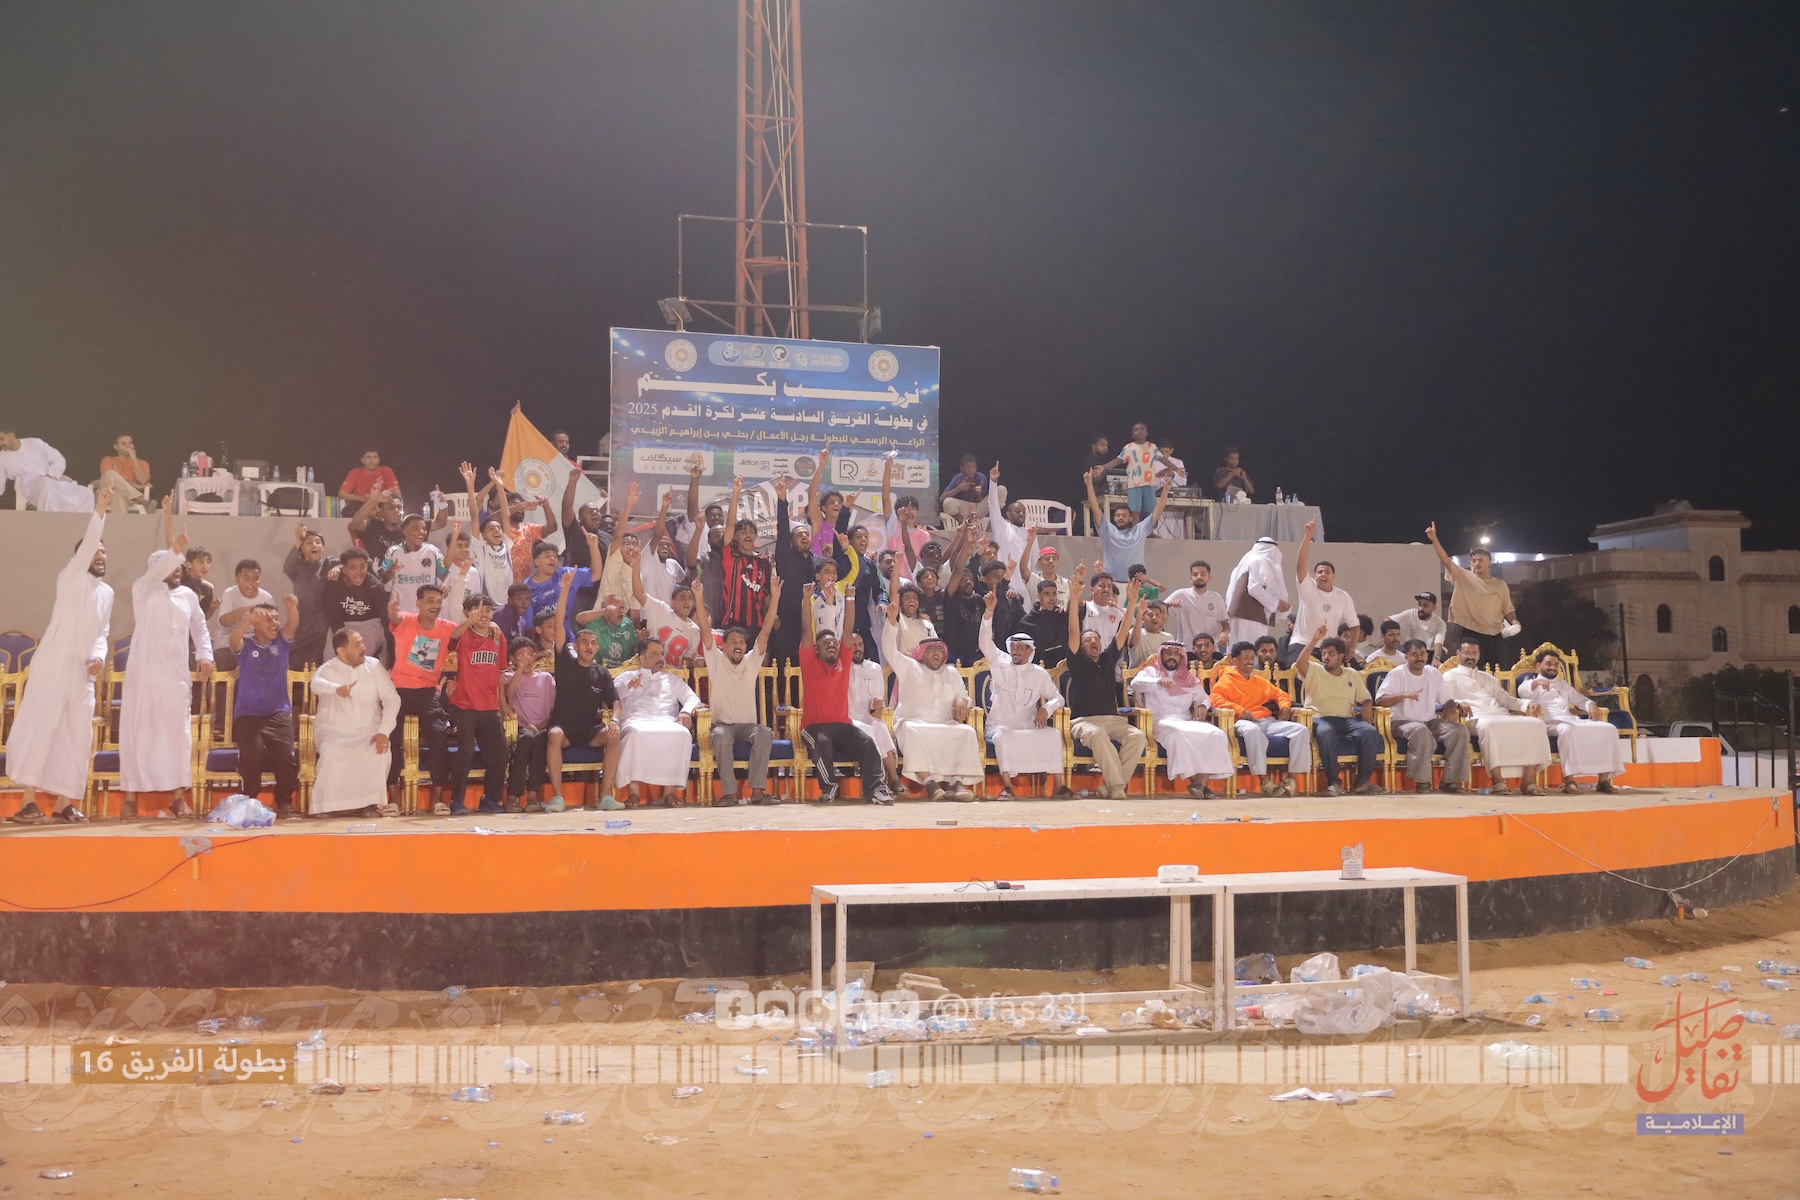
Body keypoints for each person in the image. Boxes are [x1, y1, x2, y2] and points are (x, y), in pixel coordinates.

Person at [5, 485, 114, 825]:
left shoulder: (107, 593)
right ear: (81, 557)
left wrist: (98, 657)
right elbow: (89, 541)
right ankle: (28, 802)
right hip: (53, 667)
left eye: (104, 552)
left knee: (76, 738)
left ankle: (65, 804)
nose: (101, 556)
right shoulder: (70, 576)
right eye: (95, 551)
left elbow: (103, 633)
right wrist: (100, 509)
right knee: (42, 729)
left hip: (82, 676)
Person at [119, 520, 215, 819]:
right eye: (171, 565)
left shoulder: (188, 596)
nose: (177, 570)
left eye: (179, 566)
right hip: (144, 677)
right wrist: (175, 547)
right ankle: (130, 798)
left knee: (177, 737)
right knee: (139, 734)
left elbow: (200, 627)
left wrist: (205, 655)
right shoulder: (143, 590)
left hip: (176, 678)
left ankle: (177, 798)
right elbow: (155, 574)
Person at [882, 593, 984, 801]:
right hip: (912, 722)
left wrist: (963, 701)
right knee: (911, 731)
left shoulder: (951, 672)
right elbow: (888, 649)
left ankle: (956, 783)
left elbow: (964, 696)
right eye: (932, 649)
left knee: (967, 732)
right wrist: (891, 622)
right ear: (922, 653)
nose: (937, 653)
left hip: (944, 723)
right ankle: (930, 784)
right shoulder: (909, 666)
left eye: (940, 649)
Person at [695, 575, 783, 805]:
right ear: (724, 646)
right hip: (722, 726)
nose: (737, 645)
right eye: (732, 642)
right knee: (721, 737)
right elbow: (704, 630)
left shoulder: (751, 661)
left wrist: (775, 597)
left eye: (741, 642)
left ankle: (757, 793)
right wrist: (698, 596)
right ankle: (729, 794)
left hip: (748, 727)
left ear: (745, 646)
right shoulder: (716, 660)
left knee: (764, 733)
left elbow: (765, 631)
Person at [386, 568, 469, 813]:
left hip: (427, 692)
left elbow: (459, 632)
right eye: (430, 601)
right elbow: (394, 617)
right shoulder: (406, 621)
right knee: (392, 740)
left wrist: (473, 622)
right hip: (399, 690)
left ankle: (438, 798)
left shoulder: (445, 627)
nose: (435, 605)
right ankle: (392, 799)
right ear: (419, 604)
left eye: (438, 601)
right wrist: (392, 609)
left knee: (439, 736)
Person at [798, 593, 892, 805]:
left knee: (868, 742)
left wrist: (850, 599)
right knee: (821, 742)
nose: (832, 645)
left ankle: (876, 789)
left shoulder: (844, 662)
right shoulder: (810, 663)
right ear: (816, 649)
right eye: (826, 643)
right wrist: (806, 599)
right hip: (813, 727)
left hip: (842, 725)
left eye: (834, 642)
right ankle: (829, 787)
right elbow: (806, 631)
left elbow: (847, 631)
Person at [1064, 563, 1147, 799]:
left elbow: (1122, 632)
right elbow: (1073, 632)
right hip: (1083, 721)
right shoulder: (1077, 662)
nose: (1093, 642)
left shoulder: (1109, 658)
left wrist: (1132, 601)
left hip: (1112, 719)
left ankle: (1108, 787)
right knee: (1098, 735)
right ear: (1081, 646)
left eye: (1096, 640)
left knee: (1138, 736)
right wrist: (1074, 599)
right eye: (1088, 640)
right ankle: (1117, 787)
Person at [979, 593, 1068, 799]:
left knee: (1053, 735)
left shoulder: (1038, 673)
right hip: (1000, 726)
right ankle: (1008, 787)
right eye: (1013, 647)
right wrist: (989, 612)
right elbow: (984, 642)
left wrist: (1046, 708)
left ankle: (1058, 786)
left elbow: (1058, 698)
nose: (1015, 651)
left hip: (1028, 726)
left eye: (1020, 648)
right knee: (1003, 738)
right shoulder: (1000, 662)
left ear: (1030, 651)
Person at [225, 595, 303, 817]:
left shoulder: (282, 643)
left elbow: (293, 624)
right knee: (253, 755)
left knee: (287, 757)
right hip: (248, 715)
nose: (274, 623)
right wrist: (248, 619)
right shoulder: (246, 646)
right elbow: (233, 640)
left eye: (276, 618)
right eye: (268, 619)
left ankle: (284, 803)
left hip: (278, 713)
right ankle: (249, 801)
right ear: (256, 624)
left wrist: (291, 607)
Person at [309, 629, 401, 816]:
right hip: (334, 729)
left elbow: (392, 699)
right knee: (332, 750)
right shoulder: (328, 668)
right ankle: (329, 807)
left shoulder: (374, 665)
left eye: (362, 642)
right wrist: (336, 689)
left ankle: (370, 805)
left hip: (369, 729)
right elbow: (316, 684)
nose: (363, 647)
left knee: (379, 750)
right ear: (341, 651)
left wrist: (384, 731)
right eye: (357, 644)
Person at [1444, 635, 1550, 795]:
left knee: (1536, 724)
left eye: (1474, 653)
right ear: (1458, 653)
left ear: (1479, 655)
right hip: (1474, 717)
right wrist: (1458, 703)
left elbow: (1505, 700)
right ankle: (1498, 781)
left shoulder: (1488, 678)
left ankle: (1528, 781)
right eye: (1467, 653)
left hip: (1499, 714)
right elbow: (1445, 698)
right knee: (1490, 726)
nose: (1471, 657)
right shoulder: (1449, 676)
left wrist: (1527, 704)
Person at [1209, 639, 1313, 796]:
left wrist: (1285, 706)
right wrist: (1239, 710)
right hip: (1242, 721)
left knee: (1301, 730)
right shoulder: (1226, 679)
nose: (1250, 661)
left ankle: (1290, 780)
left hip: (1266, 721)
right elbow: (1215, 699)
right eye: (1245, 657)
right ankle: (1264, 781)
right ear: (1235, 660)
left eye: (1252, 657)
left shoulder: (1259, 680)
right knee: (1252, 731)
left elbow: (1281, 694)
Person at [1131, 641, 1234, 798]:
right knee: (1178, 734)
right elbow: (1135, 684)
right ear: (1161, 655)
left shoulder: (1188, 677)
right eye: (1168, 653)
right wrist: (1157, 682)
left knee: (1217, 734)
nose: (1172, 657)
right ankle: (1199, 784)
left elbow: (1204, 698)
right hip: (1160, 720)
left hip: (1185, 720)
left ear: (1181, 657)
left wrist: (1202, 705)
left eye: (1176, 654)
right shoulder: (1151, 672)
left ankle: (1199, 782)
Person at [1518, 651, 1627, 794]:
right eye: (1549, 664)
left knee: (1609, 728)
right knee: (1566, 730)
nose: (1553, 667)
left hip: (1570, 720)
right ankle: (1569, 781)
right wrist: (1536, 683)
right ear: (1539, 665)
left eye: (1556, 665)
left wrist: (1590, 705)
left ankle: (1603, 781)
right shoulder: (1529, 683)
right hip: (1548, 723)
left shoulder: (1562, 684)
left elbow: (1579, 699)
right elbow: (1522, 691)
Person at [611, 638, 702, 805]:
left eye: (662, 654)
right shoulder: (627, 677)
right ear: (642, 658)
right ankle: (634, 793)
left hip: (667, 721)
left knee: (682, 733)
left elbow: (692, 698)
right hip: (636, 721)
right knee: (636, 733)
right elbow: (612, 695)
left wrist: (685, 711)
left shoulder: (673, 679)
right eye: (655, 654)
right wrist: (629, 687)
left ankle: (670, 792)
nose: (661, 658)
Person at [441, 593, 509, 815]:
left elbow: (501, 672)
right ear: (468, 613)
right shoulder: (463, 634)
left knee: (501, 754)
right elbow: (452, 638)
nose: (484, 614)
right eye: (478, 610)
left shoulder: (498, 636)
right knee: (466, 750)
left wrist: (503, 702)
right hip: (464, 705)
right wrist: (467, 622)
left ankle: (490, 799)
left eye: (488, 609)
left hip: (489, 706)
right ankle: (457, 801)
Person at [1295, 628, 1384, 796]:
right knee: (1326, 732)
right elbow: (1300, 664)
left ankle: (1362, 783)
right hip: (1320, 717)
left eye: (1331, 653)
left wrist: (1366, 705)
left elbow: (1365, 698)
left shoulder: (1352, 674)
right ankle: (1334, 783)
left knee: (1370, 732)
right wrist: (1314, 640)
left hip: (1346, 719)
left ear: (1341, 656)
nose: (1326, 657)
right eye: (1324, 653)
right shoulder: (1315, 670)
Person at [1375, 640, 1472, 794]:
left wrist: (1451, 708)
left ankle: (1450, 781)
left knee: (1459, 731)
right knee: (1420, 730)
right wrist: (1404, 695)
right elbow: (1380, 700)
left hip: (1430, 721)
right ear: (1406, 657)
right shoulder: (1397, 673)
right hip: (1401, 722)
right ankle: (1423, 782)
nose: (1419, 658)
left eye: (1422, 654)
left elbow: (1447, 698)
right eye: (1414, 654)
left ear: (1427, 656)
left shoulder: (1433, 673)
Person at [545, 627, 622, 811]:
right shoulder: (566, 665)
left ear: (597, 648)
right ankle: (558, 798)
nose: (589, 646)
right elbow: (559, 626)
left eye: (593, 643)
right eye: (585, 642)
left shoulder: (602, 673)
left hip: (590, 729)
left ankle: (605, 796)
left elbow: (616, 703)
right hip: (564, 728)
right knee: (554, 734)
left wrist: (615, 721)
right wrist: (563, 605)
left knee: (613, 735)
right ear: (575, 646)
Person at [1425, 522, 1517, 668]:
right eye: (1474, 560)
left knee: (1499, 670)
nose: (1477, 563)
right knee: (1472, 670)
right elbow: (1445, 560)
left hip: (1495, 634)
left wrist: (1514, 623)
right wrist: (1434, 540)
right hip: (1473, 633)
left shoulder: (1500, 585)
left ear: (1489, 562)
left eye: (1480, 560)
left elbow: (1508, 609)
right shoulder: (1464, 576)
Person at [1083, 467, 1171, 581]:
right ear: (1114, 518)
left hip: (1135, 582)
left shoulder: (1140, 529)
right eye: (1118, 515)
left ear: (1130, 518)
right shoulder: (1107, 529)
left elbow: (1157, 512)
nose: (1120, 518)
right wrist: (1089, 485)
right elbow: (1095, 509)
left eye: (1124, 515)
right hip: (1111, 583)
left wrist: (1165, 490)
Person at [1289, 519, 1356, 661]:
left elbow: (1354, 625)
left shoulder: (1343, 596)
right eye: (1320, 572)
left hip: (1328, 648)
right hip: (1302, 644)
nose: (1323, 575)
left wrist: (1352, 647)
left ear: (1333, 576)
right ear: (1314, 576)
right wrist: (1308, 536)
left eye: (1327, 572)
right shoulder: (1308, 588)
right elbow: (1300, 565)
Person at [502, 638, 556, 812]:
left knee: (540, 740)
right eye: (521, 656)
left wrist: (540, 725)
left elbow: (553, 709)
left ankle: (533, 796)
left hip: (542, 727)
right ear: (512, 658)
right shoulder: (509, 677)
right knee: (524, 740)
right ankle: (513, 797)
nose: (526, 659)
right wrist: (519, 670)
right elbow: (508, 694)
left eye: (529, 654)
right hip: (520, 728)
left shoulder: (546, 678)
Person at [846, 632, 903, 795]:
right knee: (870, 730)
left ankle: (893, 778)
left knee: (881, 727)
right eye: (854, 645)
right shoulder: (841, 669)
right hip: (847, 720)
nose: (858, 648)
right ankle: (878, 782)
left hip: (867, 717)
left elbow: (875, 702)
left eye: (860, 644)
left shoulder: (874, 668)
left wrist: (876, 704)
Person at [1093, 423, 1174, 520]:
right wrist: (1103, 467)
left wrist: (1176, 468)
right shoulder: (1129, 447)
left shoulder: (1152, 447)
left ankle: (1149, 529)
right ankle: (1135, 528)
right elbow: (1117, 460)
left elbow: (1163, 459)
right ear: (1132, 434)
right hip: (1134, 484)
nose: (1139, 431)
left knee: (1150, 510)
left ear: (1147, 433)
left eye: (1142, 429)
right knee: (1135, 510)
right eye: (1136, 430)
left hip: (1149, 484)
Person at [323, 547, 390, 664]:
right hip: (342, 625)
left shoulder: (375, 586)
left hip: (369, 624)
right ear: (344, 569)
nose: (359, 572)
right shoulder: (334, 584)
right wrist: (343, 635)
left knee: (356, 655)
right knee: (331, 659)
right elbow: (332, 614)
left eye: (362, 567)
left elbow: (385, 618)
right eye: (353, 568)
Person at [0, 429, 91, 511]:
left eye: (2, 439)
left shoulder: (35, 443)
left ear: (11, 434)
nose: (0, 443)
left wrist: (50, 475)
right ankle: (48, 520)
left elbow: (59, 460)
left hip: (52, 481)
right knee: (45, 484)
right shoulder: (2, 457)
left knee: (86, 493)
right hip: (30, 486)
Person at [284, 524, 335, 668]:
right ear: (302, 548)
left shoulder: (329, 564)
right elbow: (287, 566)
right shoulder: (296, 568)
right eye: (309, 542)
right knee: (296, 668)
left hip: (322, 629)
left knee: (318, 668)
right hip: (301, 628)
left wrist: (338, 568)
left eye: (318, 542)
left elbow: (348, 563)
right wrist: (299, 539)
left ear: (322, 548)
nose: (314, 545)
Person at [1224, 538, 1288, 648]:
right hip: (1250, 617)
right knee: (1250, 651)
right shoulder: (1258, 560)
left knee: (1238, 651)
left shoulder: (1245, 563)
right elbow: (1254, 588)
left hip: (1240, 615)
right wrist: (1276, 603)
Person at [379, 514, 446, 617]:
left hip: (426, 614)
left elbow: (445, 574)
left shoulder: (433, 551)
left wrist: (445, 584)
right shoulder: (393, 552)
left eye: (424, 529)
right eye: (416, 528)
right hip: (401, 613)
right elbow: (383, 579)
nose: (421, 532)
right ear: (404, 531)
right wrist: (391, 570)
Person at [214, 558, 276, 669]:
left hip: (256, 644)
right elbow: (224, 622)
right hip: (227, 642)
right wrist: (246, 610)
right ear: (237, 579)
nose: (251, 584)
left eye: (255, 579)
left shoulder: (267, 597)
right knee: (231, 658)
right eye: (246, 579)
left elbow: (273, 627)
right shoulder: (230, 594)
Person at [1164, 560, 1227, 651]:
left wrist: (1224, 632)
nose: (1199, 577)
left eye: (1203, 574)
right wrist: (1169, 604)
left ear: (1209, 578)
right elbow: (1159, 608)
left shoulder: (1216, 598)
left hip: (1210, 650)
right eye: (1195, 574)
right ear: (1191, 578)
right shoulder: (1180, 594)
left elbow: (1225, 623)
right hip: (1186, 650)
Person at [574, 591, 638, 669]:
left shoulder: (627, 624)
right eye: (616, 608)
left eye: (622, 607)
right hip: (598, 670)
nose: (621, 611)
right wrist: (603, 612)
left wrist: (640, 640)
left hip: (623, 672)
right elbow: (579, 618)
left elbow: (634, 652)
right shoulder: (595, 623)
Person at [1020, 576, 1069, 670]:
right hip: (1039, 670)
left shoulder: (1062, 616)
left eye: (1054, 594)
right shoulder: (1027, 622)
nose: (1051, 598)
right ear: (1039, 596)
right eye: (1047, 594)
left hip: (1064, 669)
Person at [350, 489, 408, 563]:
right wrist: (375, 500)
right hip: (374, 569)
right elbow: (356, 522)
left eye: (399, 508)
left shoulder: (407, 529)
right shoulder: (373, 526)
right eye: (391, 508)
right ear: (381, 511)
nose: (397, 510)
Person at [97, 435, 152, 513]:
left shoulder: (143, 463)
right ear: (116, 447)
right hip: (106, 494)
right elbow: (109, 481)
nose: (128, 446)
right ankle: (140, 498)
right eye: (123, 444)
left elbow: (143, 481)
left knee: (117, 493)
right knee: (111, 474)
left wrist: (134, 459)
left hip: (127, 498)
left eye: (130, 443)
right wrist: (137, 486)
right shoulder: (108, 460)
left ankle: (120, 522)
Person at [1392, 592, 1448, 662]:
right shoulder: (1411, 613)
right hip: (1411, 648)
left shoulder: (1439, 623)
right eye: (1419, 604)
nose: (1421, 608)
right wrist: (1395, 635)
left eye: (1425, 605)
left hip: (1429, 652)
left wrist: (1436, 658)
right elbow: (1388, 619)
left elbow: (1439, 642)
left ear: (1434, 608)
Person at [939, 454, 992, 526]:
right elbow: (941, 498)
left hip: (978, 508)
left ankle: (990, 528)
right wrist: (959, 488)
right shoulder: (958, 478)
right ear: (962, 468)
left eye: (973, 467)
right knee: (948, 502)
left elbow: (983, 500)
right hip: (964, 509)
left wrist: (976, 495)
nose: (971, 470)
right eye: (967, 467)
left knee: (1001, 490)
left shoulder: (982, 478)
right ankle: (965, 525)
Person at [1126, 599, 1175, 670]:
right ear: (1143, 618)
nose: (1154, 618)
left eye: (1157, 615)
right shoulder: (1136, 633)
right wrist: (1139, 614)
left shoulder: (1168, 638)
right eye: (1150, 615)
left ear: (1162, 618)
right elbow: (1134, 641)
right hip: (1139, 675)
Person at [1026, 544, 1070, 611]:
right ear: (1039, 562)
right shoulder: (1034, 579)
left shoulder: (1067, 583)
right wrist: (1030, 543)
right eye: (1047, 559)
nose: (1051, 561)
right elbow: (1023, 567)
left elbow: (1072, 607)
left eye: (1054, 559)